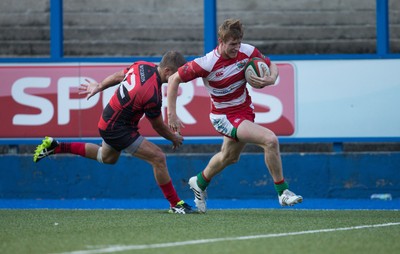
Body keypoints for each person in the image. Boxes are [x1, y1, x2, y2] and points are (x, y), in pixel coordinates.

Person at [167, 19, 303, 213]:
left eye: (238, 43)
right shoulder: (207, 63)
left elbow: (271, 65)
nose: (236, 48)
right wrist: (172, 114)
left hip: (244, 111)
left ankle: (199, 182)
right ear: (221, 41)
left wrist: (271, 78)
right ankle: (283, 192)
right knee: (270, 140)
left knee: (229, 157)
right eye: (232, 44)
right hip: (224, 116)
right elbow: (174, 79)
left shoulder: (247, 51)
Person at [33, 51, 193, 214]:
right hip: (117, 128)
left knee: (106, 157)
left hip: (109, 119)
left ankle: (57, 147)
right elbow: (158, 126)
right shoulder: (152, 94)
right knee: (158, 157)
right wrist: (173, 137)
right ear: (167, 71)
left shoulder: (142, 66)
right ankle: (175, 204)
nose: (178, 80)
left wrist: (99, 85)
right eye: (176, 75)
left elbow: (118, 76)